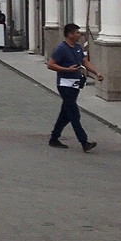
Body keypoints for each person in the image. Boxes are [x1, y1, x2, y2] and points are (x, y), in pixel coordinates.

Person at [47, 23, 104, 152]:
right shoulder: (61, 48)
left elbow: (84, 62)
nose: (79, 35)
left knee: (65, 114)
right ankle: (84, 142)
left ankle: (54, 138)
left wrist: (96, 73)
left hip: (75, 84)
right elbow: (50, 64)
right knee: (74, 113)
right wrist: (66, 69)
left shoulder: (77, 47)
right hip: (64, 84)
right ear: (70, 34)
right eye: (77, 33)